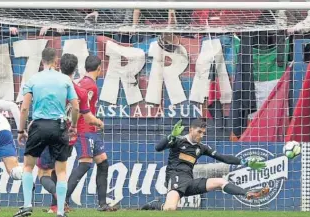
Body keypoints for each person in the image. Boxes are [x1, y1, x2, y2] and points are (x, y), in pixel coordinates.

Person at [141, 119, 269, 211]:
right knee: (170, 209)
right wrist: (171, 136)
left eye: (203, 133)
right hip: (175, 178)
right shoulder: (178, 140)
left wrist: (244, 162)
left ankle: (248, 193)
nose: (202, 135)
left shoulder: (201, 148)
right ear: (191, 129)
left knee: (220, 181)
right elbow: (158, 148)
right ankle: (155, 205)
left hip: (189, 181)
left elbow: (222, 157)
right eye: (199, 132)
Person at [14, 48, 79, 217]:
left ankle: (27, 206)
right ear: (56, 61)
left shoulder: (33, 80)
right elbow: (76, 106)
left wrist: (21, 130)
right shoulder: (65, 79)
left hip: (39, 126)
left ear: (42, 61)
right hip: (59, 126)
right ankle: (61, 212)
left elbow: (25, 108)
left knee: (28, 166)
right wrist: (74, 125)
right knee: (61, 171)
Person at [36, 53, 104, 214]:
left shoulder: (50, 85)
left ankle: (58, 199)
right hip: (67, 135)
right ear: (75, 70)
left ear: (59, 65)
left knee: (44, 173)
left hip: (47, 130)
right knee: (60, 171)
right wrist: (98, 123)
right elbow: (84, 114)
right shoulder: (79, 90)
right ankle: (58, 204)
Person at [65, 55, 116, 212]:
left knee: (103, 163)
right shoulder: (90, 86)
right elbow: (77, 106)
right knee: (85, 164)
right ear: (99, 68)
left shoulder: (82, 82)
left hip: (90, 130)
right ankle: (61, 200)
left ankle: (103, 204)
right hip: (84, 130)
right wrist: (86, 123)